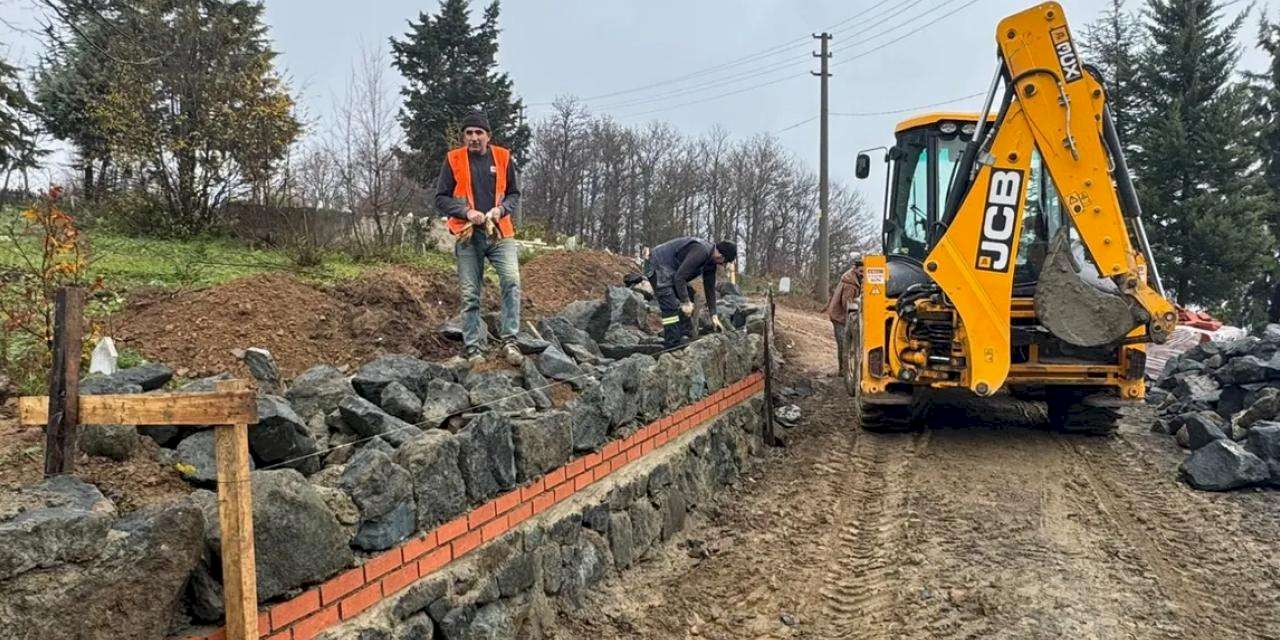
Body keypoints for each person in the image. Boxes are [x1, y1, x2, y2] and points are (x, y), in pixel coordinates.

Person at [434, 111, 524, 366]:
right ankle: (475, 348)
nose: (474, 137)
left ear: (488, 135)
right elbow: (441, 198)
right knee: (470, 294)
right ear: (464, 136)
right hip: (468, 234)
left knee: (511, 281)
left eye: (479, 132)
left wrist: (501, 210)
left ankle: (510, 340)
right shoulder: (453, 159)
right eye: (469, 133)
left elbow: (514, 194)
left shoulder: (503, 157)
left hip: (499, 232)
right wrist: (466, 212)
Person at [646, 236, 737, 349]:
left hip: (671, 270)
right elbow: (679, 278)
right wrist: (685, 301)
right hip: (657, 263)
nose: (723, 265)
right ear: (720, 255)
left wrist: (713, 315)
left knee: (689, 294)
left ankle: (684, 335)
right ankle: (672, 345)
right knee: (670, 304)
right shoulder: (701, 252)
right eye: (725, 262)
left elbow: (709, 289)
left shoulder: (711, 261)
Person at [828, 257, 864, 378]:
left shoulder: (854, 278)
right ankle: (843, 371)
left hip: (842, 316)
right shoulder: (850, 284)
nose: (863, 274)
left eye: (864, 271)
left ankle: (845, 369)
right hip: (839, 317)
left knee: (846, 344)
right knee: (844, 344)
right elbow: (847, 304)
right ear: (855, 269)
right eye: (861, 271)